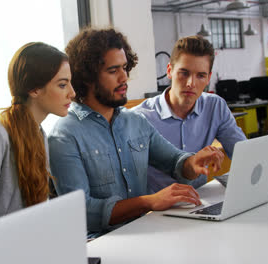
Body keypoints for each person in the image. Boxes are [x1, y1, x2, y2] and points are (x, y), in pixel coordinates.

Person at [48, 28, 224, 237]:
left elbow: (175, 161)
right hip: (101, 245)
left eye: (124, 67)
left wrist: (192, 163)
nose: (124, 77)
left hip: (146, 231)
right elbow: (82, 212)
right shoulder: (65, 135)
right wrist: (149, 201)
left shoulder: (135, 122)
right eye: (113, 71)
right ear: (87, 77)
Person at [0, 42, 75, 225]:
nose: (72, 93)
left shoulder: (38, 133)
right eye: (62, 85)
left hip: (25, 244)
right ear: (34, 89)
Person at [132, 35, 246, 193]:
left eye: (200, 75)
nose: (191, 83)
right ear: (169, 71)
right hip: (157, 212)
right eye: (184, 73)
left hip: (201, 201)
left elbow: (243, 153)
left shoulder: (215, 106)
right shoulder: (139, 118)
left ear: (209, 78)